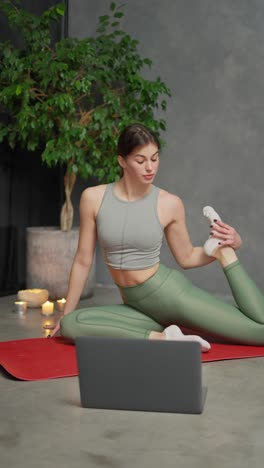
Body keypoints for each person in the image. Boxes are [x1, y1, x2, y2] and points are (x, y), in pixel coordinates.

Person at [50, 123, 264, 351]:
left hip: (171, 297)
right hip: (136, 305)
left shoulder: (169, 203)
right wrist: (67, 311)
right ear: (122, 161)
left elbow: (187, 257)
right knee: (71, 325)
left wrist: (230, 245)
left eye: (154, 158)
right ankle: (166, 338)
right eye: (140, 161)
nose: (150, 167)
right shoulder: (93, 198)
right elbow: (83, 260)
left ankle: (225, 254)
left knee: (260, 332)